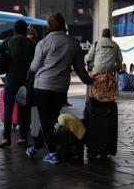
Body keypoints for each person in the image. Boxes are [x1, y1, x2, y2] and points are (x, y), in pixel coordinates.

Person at [25, 12, 93, 164]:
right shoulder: (74, 43)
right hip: (61, 89)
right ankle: (35, 148)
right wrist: (91, 81)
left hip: (43, 86)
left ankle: (52, 153)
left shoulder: (43, 43)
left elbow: (35, 67)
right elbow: (81, 70)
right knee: (49, 120)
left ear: (49, 26)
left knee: (45, 121)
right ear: (64, 25)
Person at [0, 20, 36, 148]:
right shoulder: (31, 44)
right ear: (25, 30)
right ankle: (23, 137)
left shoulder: (9, 41)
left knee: (8, 108)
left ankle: (6, 138)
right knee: (24, 108)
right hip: (26, 81)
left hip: (11, 79)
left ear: (14, 30)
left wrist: (6, 54)